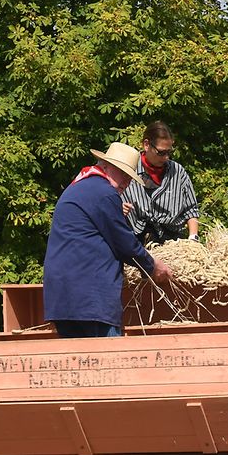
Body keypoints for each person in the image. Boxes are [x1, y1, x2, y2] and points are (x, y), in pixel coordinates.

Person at [43, 142, 173, 338]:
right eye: (123, 174)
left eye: (130, 178)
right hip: (90, 298)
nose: (126, 182)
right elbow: (124, 243)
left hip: (63, 298)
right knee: (109, 356)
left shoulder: (81, 186)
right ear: (106, 166)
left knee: (78, 357)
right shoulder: (104, 192)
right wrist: (152, 266)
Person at [122, 121, 200, 244]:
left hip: (172, 240)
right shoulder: (127, 169)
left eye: (169, 152)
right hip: (134, 239)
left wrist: (193, 238)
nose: (166, 158)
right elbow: (108, 201)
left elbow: (191, 210)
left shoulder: (178, 172)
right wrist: (118, 208)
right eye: (161, 152)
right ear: (146, 145)